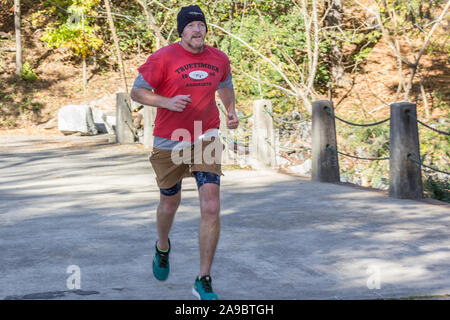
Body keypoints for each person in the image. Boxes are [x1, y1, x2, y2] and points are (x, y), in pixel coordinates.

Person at [130, 5, 238, 300]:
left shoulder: (219, 58)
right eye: (190, 26)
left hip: (206, 135)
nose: (197, 30)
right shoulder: (162, 57)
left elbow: (225, 84)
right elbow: (137, 92)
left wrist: (230, 110)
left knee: (212, 206)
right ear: (181, 31)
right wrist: (165, 102)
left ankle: (203, 279)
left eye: (200, 25)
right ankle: (162, 246)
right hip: (170, 139)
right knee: (170, 201)